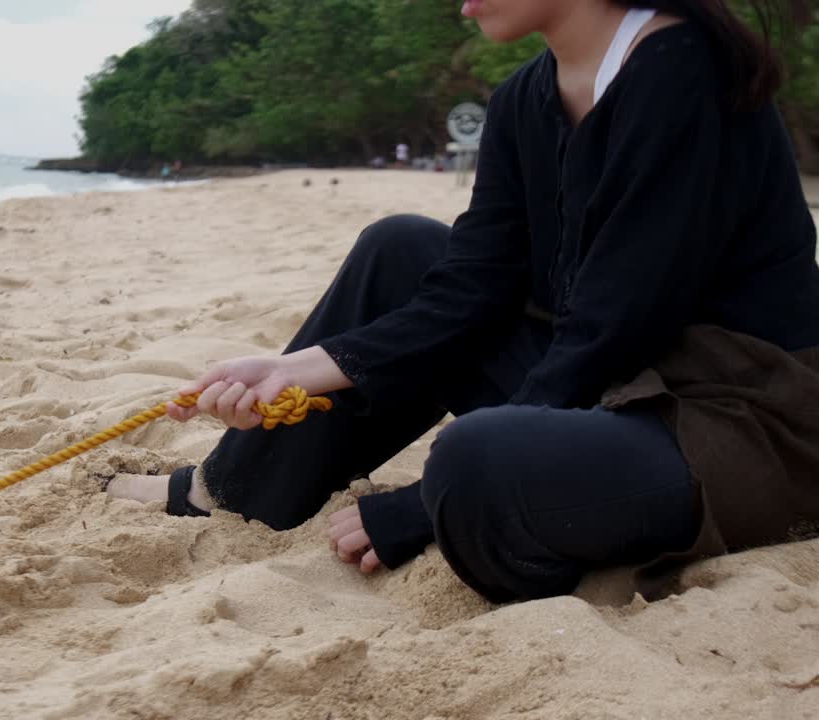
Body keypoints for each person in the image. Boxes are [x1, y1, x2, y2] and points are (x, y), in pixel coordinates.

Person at [107, 0, 819, 603]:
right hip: (611, 387)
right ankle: (230, 491)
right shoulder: (521, 99)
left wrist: (419, 509)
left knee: (475, 462)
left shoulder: (680, 67)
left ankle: (489, 493)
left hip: (732, 417)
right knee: (403, 248)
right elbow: (470, 288)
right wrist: (294, 370)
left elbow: (615, 324)